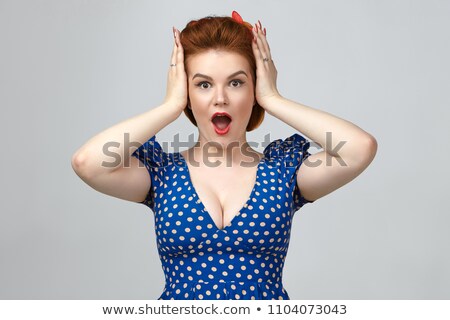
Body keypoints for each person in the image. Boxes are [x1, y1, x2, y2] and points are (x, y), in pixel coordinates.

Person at [71, 11, 377, 300]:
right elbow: (88, 164)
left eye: (236, 82)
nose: (220, 98)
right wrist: (169, 106)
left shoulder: (283, 172)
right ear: (187, 94)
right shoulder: (161, 174)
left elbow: (359, 147)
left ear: (253, 89)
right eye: (203, 84)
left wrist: (273, 98)